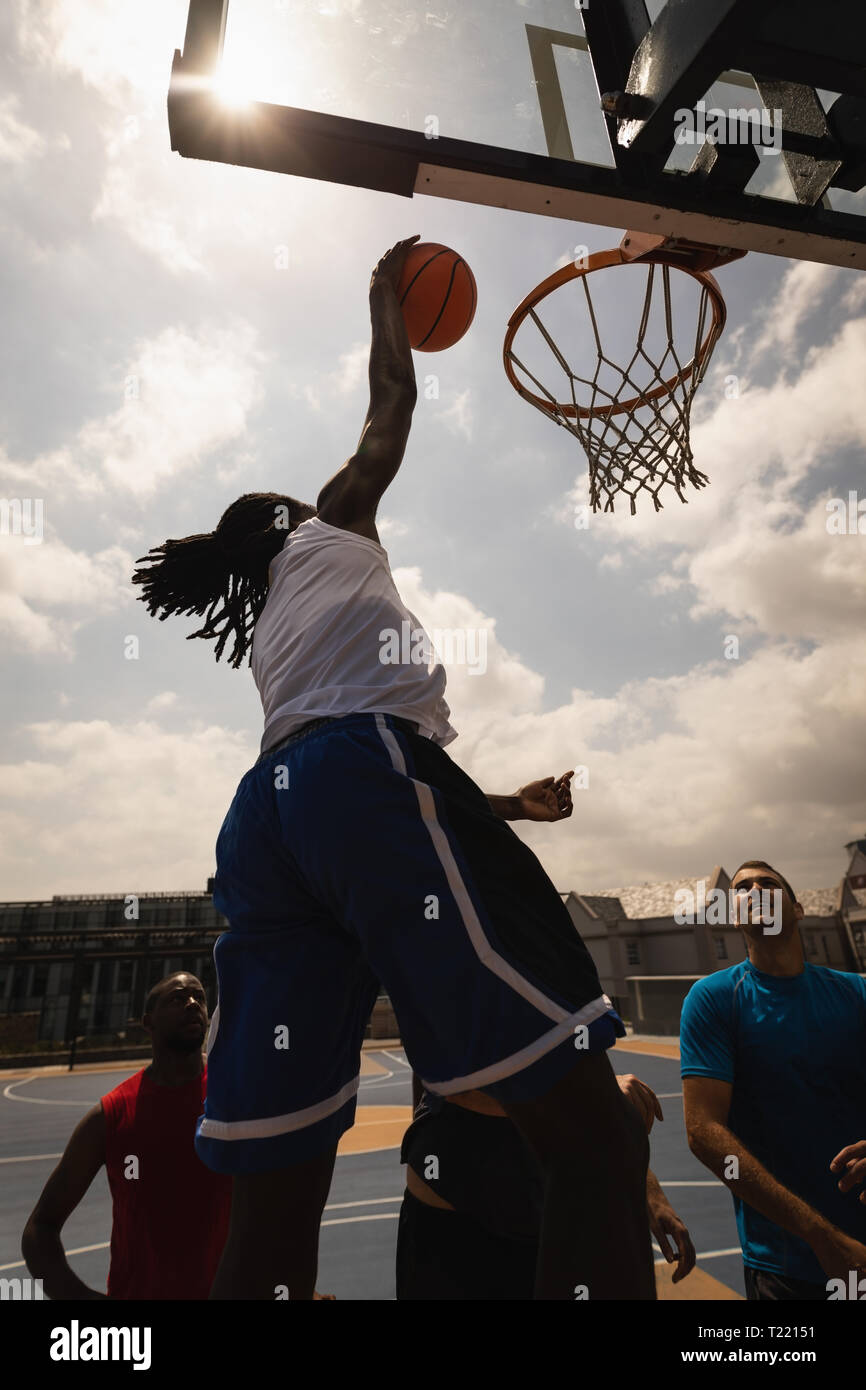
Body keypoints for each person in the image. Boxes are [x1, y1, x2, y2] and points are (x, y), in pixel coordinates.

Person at [132, 236, 654, 1301]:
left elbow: (360, 799)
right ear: (287, 517)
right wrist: (384, 301)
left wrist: (503, 803)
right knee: (594, 1143)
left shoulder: (274, 622)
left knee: (275, 1204)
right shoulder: (330, 523)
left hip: (270, 823)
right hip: (359, 779)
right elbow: (390, 405)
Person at [681, 860, 866, 1300]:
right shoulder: (714, 999)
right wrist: (821, 1235)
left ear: (798, 909)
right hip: (787, 1262)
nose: (757, 890)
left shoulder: (856, 992)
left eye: (769, 883)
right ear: (732, 915)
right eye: (743, 888)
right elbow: (703, 1131)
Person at [398, 1068, 695, 1299]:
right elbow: (461, 1082)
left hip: (545, 1203)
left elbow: (578, 1062)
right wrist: (596, 1095)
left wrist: (644, 1184)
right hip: (460, 1226)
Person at [22, 973, 231, 1300]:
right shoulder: (111, 1115)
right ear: (148, 1022)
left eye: (199, 997)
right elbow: (39, 1229)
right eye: (177, 998)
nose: (192, 1004)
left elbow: (276, 1207)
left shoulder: (235, 1099)